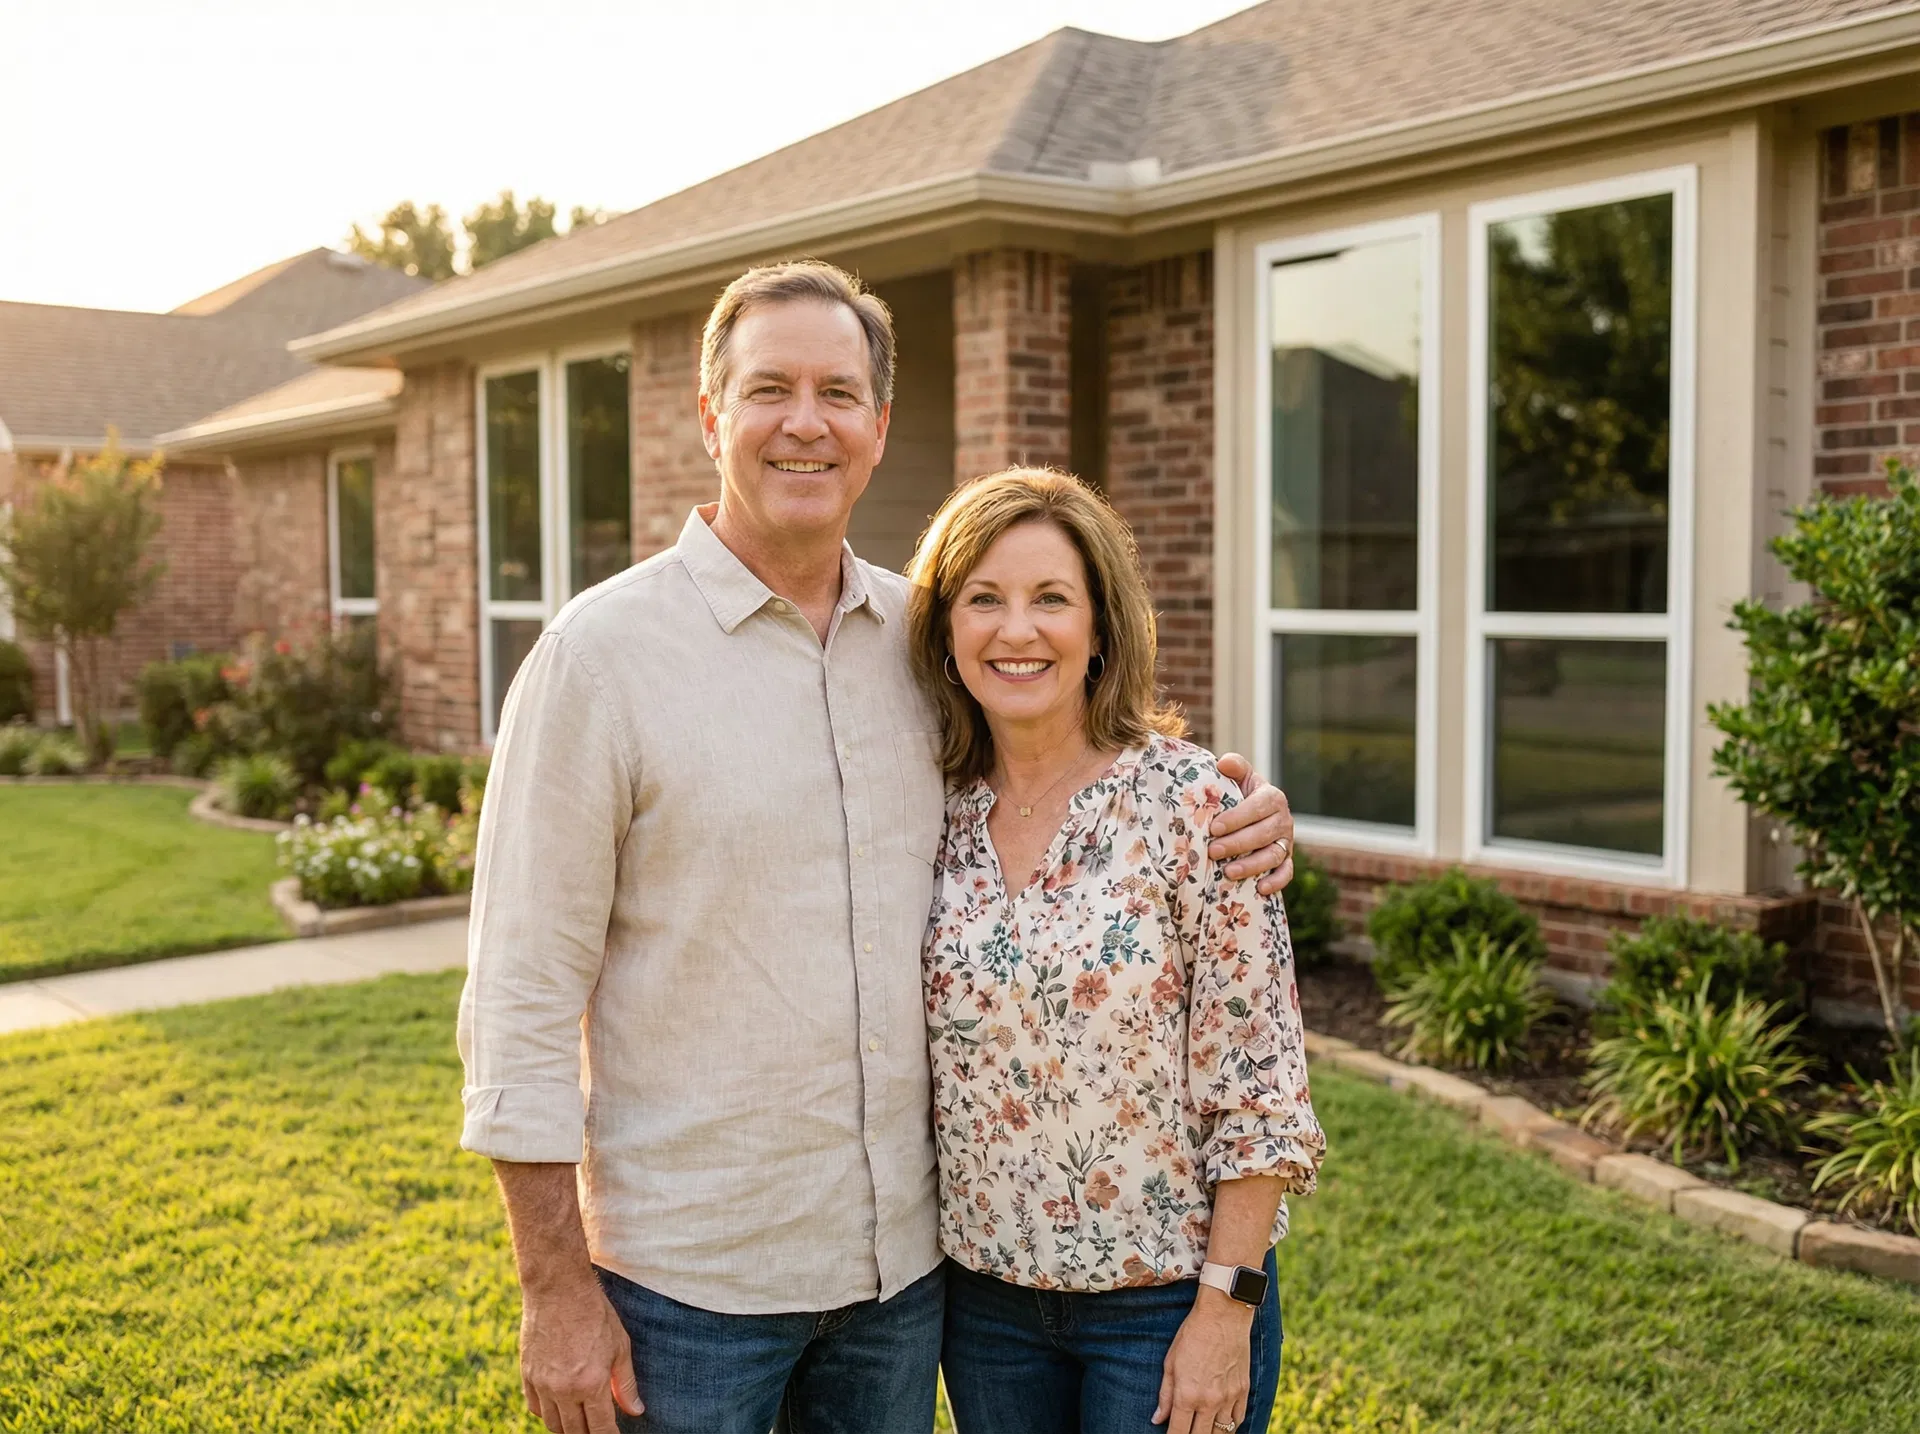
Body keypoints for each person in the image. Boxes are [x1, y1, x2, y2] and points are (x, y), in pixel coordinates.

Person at [456, 260, 1299, 1434]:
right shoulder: (597, 661)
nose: (806, 422)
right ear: (712, 416)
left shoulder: (926, 643)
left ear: (879, 423)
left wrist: (1235, 804)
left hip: (903, 1291)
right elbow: (520, 1004)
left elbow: (1074, 770)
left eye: (839, 392)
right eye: (769, 390)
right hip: (690, 1294)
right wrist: (553, 1290)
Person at [906, 468, 1325, 1434]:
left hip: (1165, 1302)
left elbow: (1260, 1094)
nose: (1017, 631)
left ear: (1101, 629)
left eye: (1051, 598)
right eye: (984, 599)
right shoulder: (926, 811)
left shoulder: (1196, 809)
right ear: (945, 632)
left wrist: (1227, 1309)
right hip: (986, 1305)